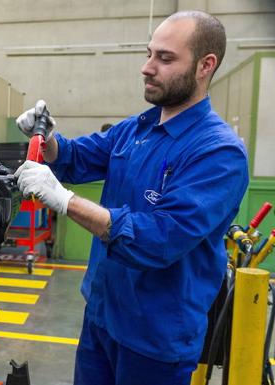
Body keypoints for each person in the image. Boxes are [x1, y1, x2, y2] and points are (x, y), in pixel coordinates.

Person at [14, 10, 248, 385]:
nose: (147, 67)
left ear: (206, 66)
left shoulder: (218, 153)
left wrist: (65, 201)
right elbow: (78, 157)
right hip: (102, 316)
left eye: (165, 58)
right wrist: (50, 141)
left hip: (156, 338)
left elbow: (159, 238)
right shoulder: (138, 127)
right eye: (149, 53)